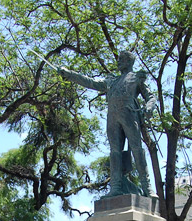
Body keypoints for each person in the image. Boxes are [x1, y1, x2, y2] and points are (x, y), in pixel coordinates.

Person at [58, 51, 157, 197]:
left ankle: (147, 187)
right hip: (113, 119)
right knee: (114, 152)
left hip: (130, 115)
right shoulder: (112, 81)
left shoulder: (137, 78)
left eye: (122, 59)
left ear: (130, 62)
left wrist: (149, 108)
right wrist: (69, 74)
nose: (119, 62)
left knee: (137, 150)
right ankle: (115, 187)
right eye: (118, 59)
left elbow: (151, 97)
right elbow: (90, 82)